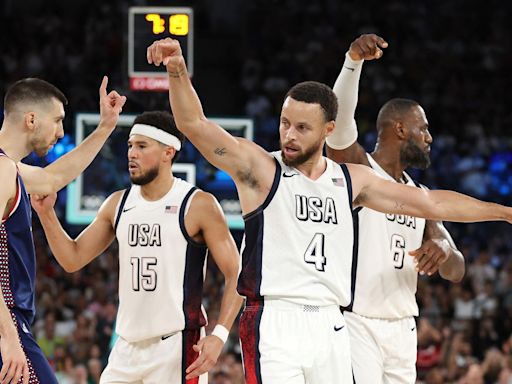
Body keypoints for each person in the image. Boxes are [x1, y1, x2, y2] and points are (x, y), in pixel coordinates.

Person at [146, 38, 512, 384]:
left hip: (331, 324)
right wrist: (177, 69)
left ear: (328, 130)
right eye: (285, 123)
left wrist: (505, 212)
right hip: (275, 319)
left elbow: (432, 203)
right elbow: (194, 124)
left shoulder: (353, 180)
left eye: (302, 128)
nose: (289, 135)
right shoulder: (261, 169)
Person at [31, 111, 243, 384]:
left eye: (142, 146)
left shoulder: (198, 204)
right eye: (130, 145)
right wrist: (46, 214)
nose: (132, 153)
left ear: (168, 152)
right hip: (126, 347)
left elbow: (235, 271)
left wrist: (220, 335)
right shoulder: (117, 204)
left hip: (176, 346)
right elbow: (72, 259)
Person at [325, 33, 466, 383]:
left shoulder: (420, 196)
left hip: (404, 327)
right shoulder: (359, 170)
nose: (430, 138)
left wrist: (444, 249)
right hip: (357, 321)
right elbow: (338, 130)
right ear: (400, 129)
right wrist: (353, 63)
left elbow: (457, 271)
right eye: (424, 129)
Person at [0, 76, 125, 384]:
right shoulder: (2, 171)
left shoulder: (11, 170)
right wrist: (9, 337)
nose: (61, 132)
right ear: (31, 119)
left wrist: (105, 127)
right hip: (6, 325)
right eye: (56, 121)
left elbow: (53, 179)